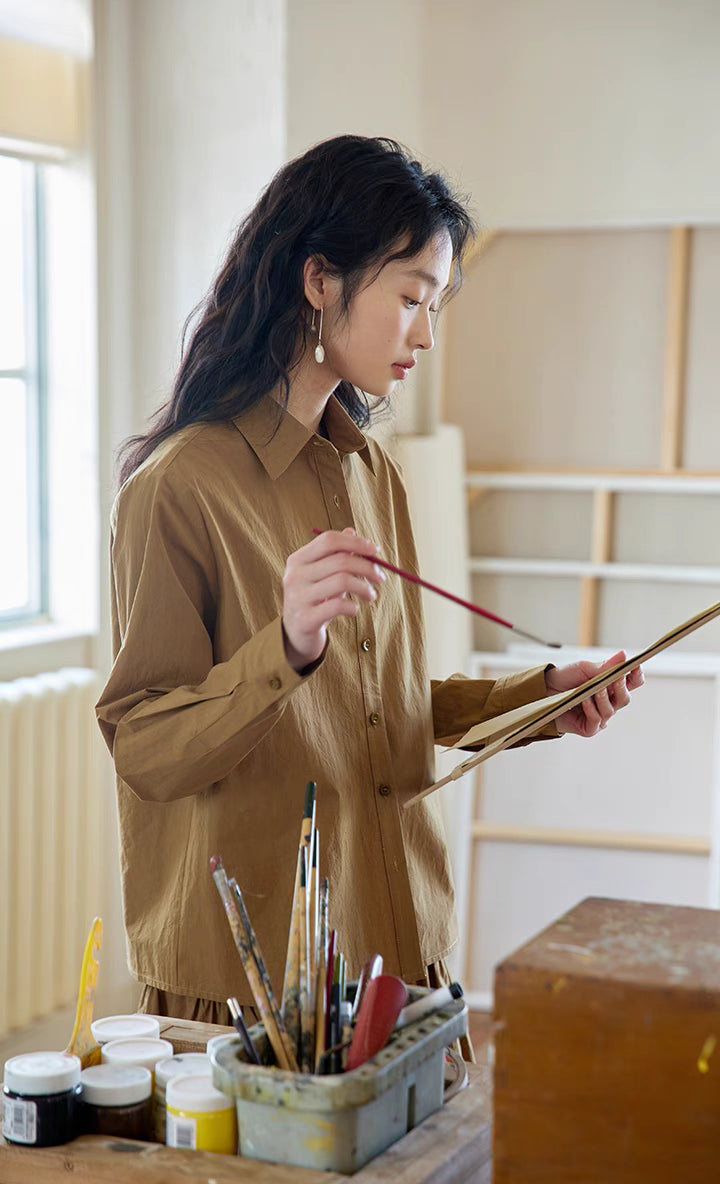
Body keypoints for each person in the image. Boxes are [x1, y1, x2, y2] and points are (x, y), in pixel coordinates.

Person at [96, 135, 643, 1039]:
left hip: (397, 946)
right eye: (411, 299)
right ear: (320, 281)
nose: (426, 333)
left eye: (435, 304)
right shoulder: (178, 487)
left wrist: (539, 699)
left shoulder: (369, 475)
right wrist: (289, 647)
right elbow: (148, 750)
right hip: (257, 984)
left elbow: (377, 712)